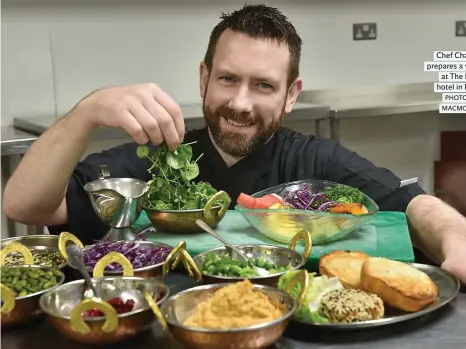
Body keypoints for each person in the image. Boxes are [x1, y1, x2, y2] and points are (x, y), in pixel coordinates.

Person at [3, 5, 466, 284]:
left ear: (291, 95)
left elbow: (412, 203)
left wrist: (455, 237)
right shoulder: (162, 157)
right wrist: (86, 113)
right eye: (227, 79)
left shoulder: (315, 160)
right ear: (204, 78)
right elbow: (26, 204)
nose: (240, 103)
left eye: (263, 85)